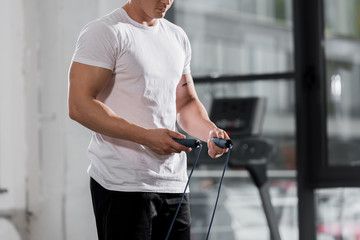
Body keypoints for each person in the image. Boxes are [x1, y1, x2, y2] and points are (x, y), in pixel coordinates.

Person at [68, 0, 229, 239]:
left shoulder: (177, 36)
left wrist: (210, 133)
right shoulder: (106, 31)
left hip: (174, 183)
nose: (166, 0)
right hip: (122, 183)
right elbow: (79, 106)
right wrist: (146, 137)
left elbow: (185, 103)